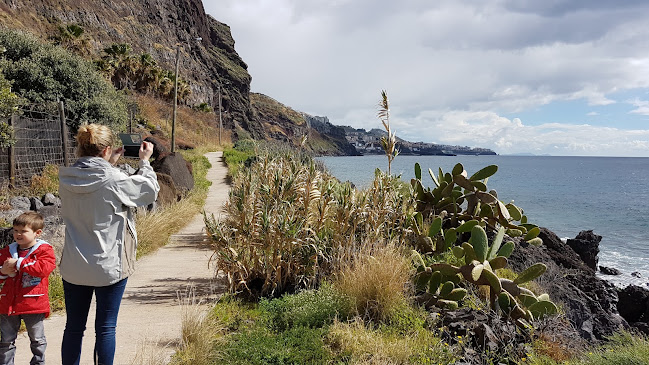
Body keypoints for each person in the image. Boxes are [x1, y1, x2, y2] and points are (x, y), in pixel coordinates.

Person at [58, 124, 159, 365]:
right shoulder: (115, 180)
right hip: (108, 266)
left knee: (73, 328)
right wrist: (145, 162)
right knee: (105, 328)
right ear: (106, 150)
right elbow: (150, 191)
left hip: (73, 265)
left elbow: (94, 182)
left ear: (79, 148)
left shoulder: (66, 178)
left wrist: (108, 163)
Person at [0, 211, 56, 365]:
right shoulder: (7, 251)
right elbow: (2, 270)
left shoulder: (44, 250)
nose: (18, 234)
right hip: (8, 304)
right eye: (15, 230)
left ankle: (38, 362)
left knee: (37, 339)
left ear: (37, 233)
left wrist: (18, 263)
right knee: (6, 341)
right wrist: (3, 272)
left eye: (23, 231)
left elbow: (43, 268)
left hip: (33, 303)